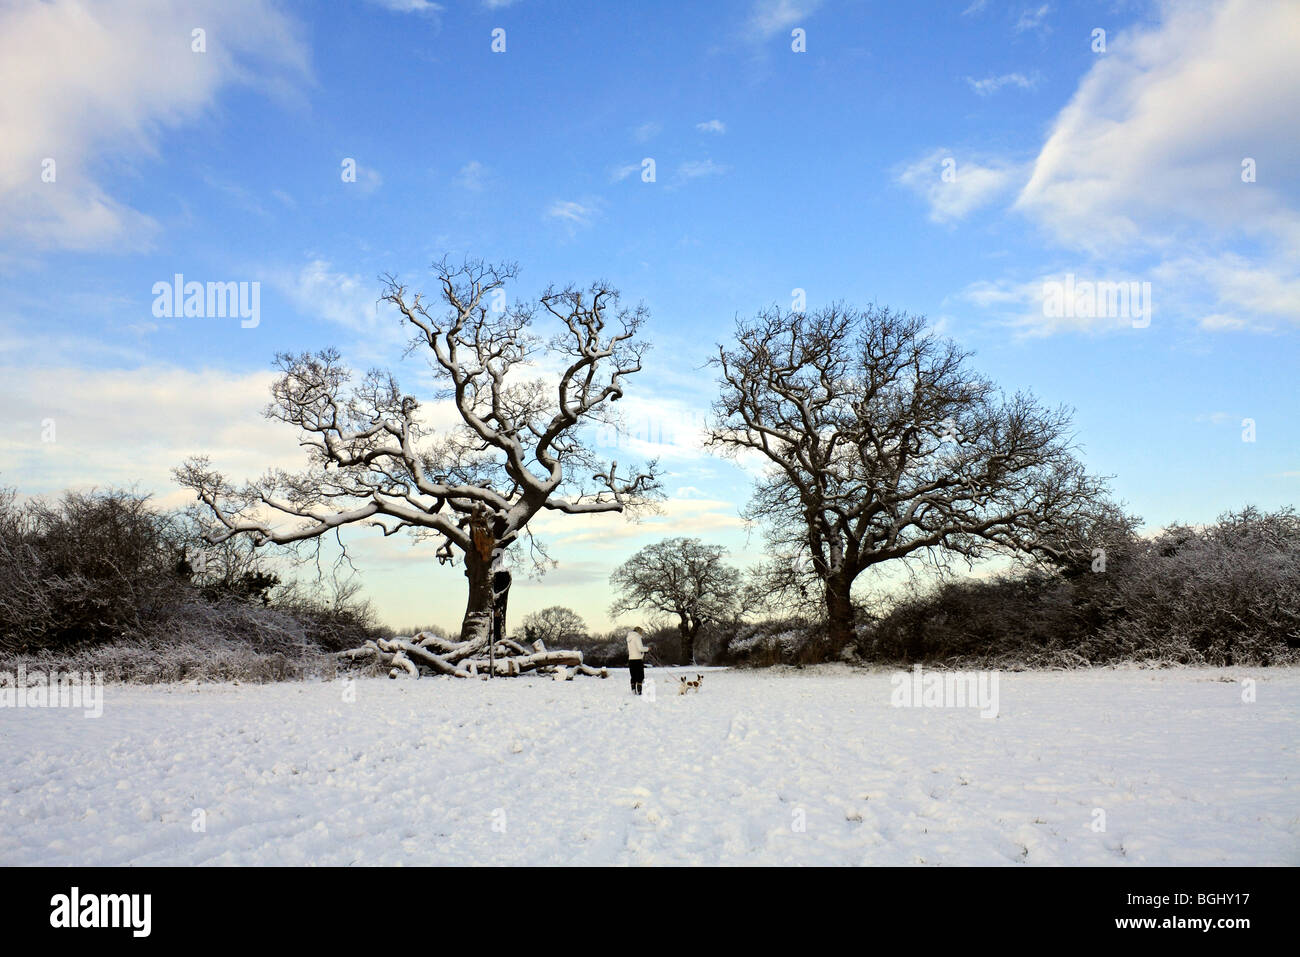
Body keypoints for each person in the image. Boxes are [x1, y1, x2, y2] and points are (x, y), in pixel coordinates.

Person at [626, 626, 648, 695]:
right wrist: (647, 649)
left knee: (633, 676)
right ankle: (639, 691)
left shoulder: (629, 638)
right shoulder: (637, 637)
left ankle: (633, 690)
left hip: (631, 659)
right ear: (639, 631)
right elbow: (640, 648)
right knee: (640, 676)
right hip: (638, 659)